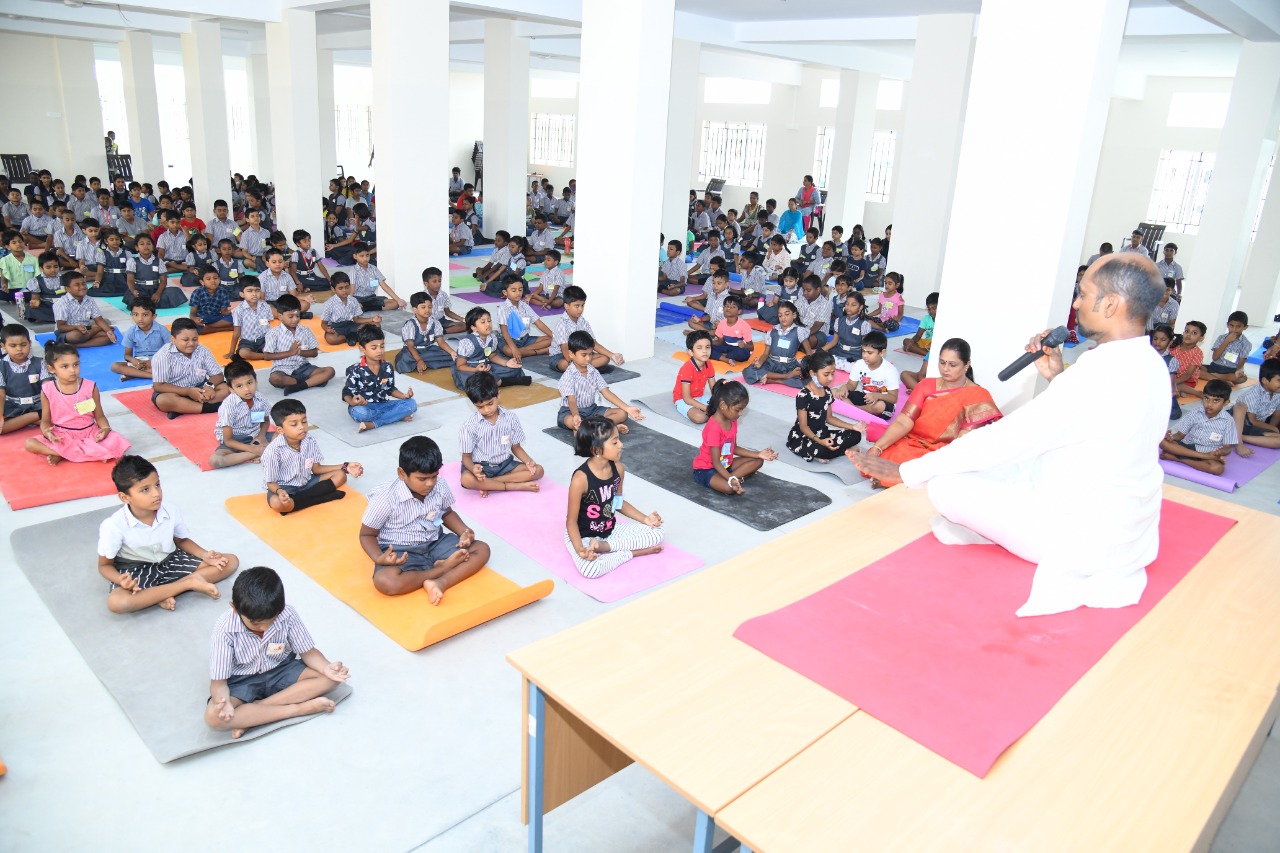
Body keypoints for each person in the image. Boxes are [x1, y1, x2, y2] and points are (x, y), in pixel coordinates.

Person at [852, 253, 1172, 618]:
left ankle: (986, 526)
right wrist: (1057, 377)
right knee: (992, 465)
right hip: (1130, 529)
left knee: (944, 483)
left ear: (1111, 304)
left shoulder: (1095, 376)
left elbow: (1004, 441)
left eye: (1084, 294)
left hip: (1079, 536)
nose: (1075, 304)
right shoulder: (1150, 364)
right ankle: (987, 524)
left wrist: (907, 471)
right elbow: (1098, 422)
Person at [205, 566, 348, 738]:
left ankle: (253, 715)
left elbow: (308, 653)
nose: (264, 628)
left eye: (271, 621)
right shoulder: (224, 629)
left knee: (331, 679)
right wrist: (223, 702)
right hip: (242, 680)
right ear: (235, 608)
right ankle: (298, 709)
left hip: (281, 668)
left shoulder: (287, 614)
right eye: (256, 623)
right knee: (213, 717)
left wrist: (326, 668)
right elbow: (219, 683)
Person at [97, 455, 236, 614]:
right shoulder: (113, 526)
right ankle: (187, 584)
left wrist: (205, 555)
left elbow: (181, 541)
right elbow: (104, 566)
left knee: (229, 561)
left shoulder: (170, 510)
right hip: (136, 571)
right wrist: (121, 581)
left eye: (157, 484)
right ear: (125, 497)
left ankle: (156, 594)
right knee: (118, 603)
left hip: (170, 561)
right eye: (145, 489)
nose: (156, 493)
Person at [359, 436, 489, 602]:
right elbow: (367, 535)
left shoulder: (440, 485)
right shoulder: (385, 498)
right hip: (402, 551)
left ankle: (440, 582)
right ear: (402, 473)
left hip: (436, 542)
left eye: (434, 476)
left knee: (482, 549)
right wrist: (378, 557)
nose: (430, 483)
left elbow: (446, 513)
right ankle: (441, 570)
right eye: (422, 479)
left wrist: (464, 531)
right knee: (387, 582)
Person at [856, 337, 1000, 481]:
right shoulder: (926, 385)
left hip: (945, 451)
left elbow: (963, 443)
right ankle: (897, 478)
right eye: (942, 362)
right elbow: (903, 421)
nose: (945, 369)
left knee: (922, 469)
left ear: (966, 365)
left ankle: (897, 479)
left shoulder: (977, 395)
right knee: (879, 459)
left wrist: (938, 458)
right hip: (913, 441)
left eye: (952, 365)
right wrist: (877, 448)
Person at [565, 416, 665, 578]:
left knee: (657, 532)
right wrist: (580, 549)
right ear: (597, 450)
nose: (621, 445)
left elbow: (617, 503)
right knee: (591, 570)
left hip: (610, 530)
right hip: (583, 535)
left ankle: (605, 547)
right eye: (614, 442)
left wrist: (646, 519)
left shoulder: (618, 468)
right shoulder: (580, 479)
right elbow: (571, 522)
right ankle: (631, 552)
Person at [25, 343, 131, 465]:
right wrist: (47, 432)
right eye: (65, 366)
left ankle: (64, 454)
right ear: (51, 369)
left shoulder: (90, 387)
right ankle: (67, 453)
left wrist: (105, 429)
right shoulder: (47, 390)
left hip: (89, 434)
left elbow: (99, 416)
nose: (72, 370)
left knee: (117, 440)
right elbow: (45, 420)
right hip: (62, 436)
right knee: (30, 443)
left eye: (76, 364)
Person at [263, 399, 362, 514]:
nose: (302, 427)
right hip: (284, 487)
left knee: (341, 475)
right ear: (280, 430)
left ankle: (299, 502)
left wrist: (345, 466)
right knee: (277, 503)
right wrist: (280, 492)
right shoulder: (273, 451)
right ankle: (321, 497)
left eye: (304, 421)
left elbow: (317, 469)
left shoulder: (309, 440)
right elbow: (270, 482)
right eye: (294, 424)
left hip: (307, 481)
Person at [458, 372, 544, 496]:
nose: (487, 410)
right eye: (480, 407)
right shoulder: (469, 426)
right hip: (481, 467)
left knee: (538, 470)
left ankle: (489, 484)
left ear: (498, 394)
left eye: (490, 403)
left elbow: (516, 447)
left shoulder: (510, 418)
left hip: (505, 464)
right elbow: (466, 457)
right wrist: (473, 469)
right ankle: (513, 486)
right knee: (467, 480)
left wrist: (529, 462)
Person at [693, 380, 777, 496]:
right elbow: (716, 462)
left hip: (726, 464)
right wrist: (731, 479)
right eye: (738, 410)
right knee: (729, 489)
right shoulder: (714, 429)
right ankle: (735, 479)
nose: (741, 413)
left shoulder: (732, 420)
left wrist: (758, 454)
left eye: (742, 410)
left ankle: (733, 479)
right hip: (707, 469)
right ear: (723, 405)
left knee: (758, 461)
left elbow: (734, 448)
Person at [786, 350, 865, 462]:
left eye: (832, 374)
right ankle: (843, 451)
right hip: (804, 437)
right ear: (813, 373)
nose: (830, 378)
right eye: (826, 374)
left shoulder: (827, 391)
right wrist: (819, 441)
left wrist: (853, 426)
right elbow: (803, 426)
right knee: (821, 450)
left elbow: (829, 418)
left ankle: (830, 451)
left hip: (823, 433)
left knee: (856, 435)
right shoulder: (803, 395)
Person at [556, 331, 643, 432]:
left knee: (622, 414)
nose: (588, 358)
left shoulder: (593, 371)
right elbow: (571, 400)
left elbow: (606, 393)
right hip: (570, 411)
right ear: (571, 354)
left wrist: (627, 408)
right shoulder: (568, 376)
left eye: (590, 354)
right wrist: (576, 415)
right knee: (572, 422)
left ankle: (593, 428)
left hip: (592, 410)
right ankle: (604, 427)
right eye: (584, 355)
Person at [151, 318, 231, 418]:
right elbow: (159, 386)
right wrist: (188, 392)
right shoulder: (162, 356)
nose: (191, 343)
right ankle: (210, 407)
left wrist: (209, 386)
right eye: (185, 340)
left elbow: (218, 375)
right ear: (173, 339)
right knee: (163, 400)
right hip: (175, 391)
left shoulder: (203, 351)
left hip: (201, 388)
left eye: (195, 339)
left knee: (228, 389)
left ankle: (185, 407)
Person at [342, 326, 418, 432]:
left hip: (383, 405)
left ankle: (374, 423)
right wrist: (353, 402)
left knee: (411, 404)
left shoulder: (387, 367)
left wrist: (403, 396)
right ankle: (395, 417)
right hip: (364, 407)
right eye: (374, 348)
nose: (379, 351)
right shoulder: (355, 370)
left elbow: (390, 389)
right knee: (360, 413)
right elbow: (346, 392)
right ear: (362, 349)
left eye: (382, 346)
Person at [1159, 379, 1237, 474]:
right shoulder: (1195, 412)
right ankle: (1198, 457)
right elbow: (1180, 435)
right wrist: (1171, 437)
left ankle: (1179, 458)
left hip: (1209, 452)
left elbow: (1228, 448)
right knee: (1162, 441)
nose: (1209, 404)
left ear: (1225, 403)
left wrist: (1221, 452)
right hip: (1188, 448)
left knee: (1218, 468)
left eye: (1216, 401)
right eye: (1206, 398)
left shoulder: (1228, 421)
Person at [264, 294, 334, 395]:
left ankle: (298, 386)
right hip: (282, 369)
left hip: (303, 367)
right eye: (290, 316)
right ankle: (311, 382)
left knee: (330, 371)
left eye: (298, 315)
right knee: (275, 378)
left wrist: (299, 352)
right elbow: (267, 356)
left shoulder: (305, 330)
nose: (295, 319)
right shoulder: (273, 333)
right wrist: (290, 352)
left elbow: (314, 353)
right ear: (280, 316)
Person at [210, 357, 271, 469]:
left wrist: (261, 436)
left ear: (256, 381)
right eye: (239, 386)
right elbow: (228, 440)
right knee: (216, 460)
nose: (247, 389)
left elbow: (265, 421)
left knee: (287, 436)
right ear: (231, 389)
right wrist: (253, 449)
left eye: (249, 383)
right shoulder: (228, 406)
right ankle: (259, 452)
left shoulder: (260, 399)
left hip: (254, 435)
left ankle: (258, 451)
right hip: (235, 440)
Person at [451, 306, 531, 390]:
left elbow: (492, 356)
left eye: (489, 321)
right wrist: (476, 370)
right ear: (473, 327)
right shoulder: (467, 342)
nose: (488, 324)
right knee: (478, 382)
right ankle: (506, 381)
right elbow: (460, 366)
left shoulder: (492, 338)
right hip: (469, 369)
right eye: (483, 322)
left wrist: (506, 363)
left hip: (485, 367)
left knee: (514, 369)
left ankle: (496, 381)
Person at [550, 285, 623, 373]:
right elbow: (564, 348)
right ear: (566, 306)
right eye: (577, 306)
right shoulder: (562, 324)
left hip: (581, 353)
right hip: (561, 356)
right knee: (564, 364)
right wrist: (573, 362)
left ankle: (580, 368)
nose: (580, 309)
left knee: (605, 358)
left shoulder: (583, 322)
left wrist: (612, 355)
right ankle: (580, 367)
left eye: (582, 305)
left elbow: (594, 344)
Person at [835, 330, 901, 419]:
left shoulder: (890, 371)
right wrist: (845, 387)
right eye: (863, 351)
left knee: (880, 406)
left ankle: (853, 409)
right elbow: (852, 385)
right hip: (865, 398)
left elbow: (893, 398)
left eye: (870, 353)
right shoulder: (859, 364)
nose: (865, 356)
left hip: (882, 401)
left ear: (882, 352)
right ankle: (859, 410)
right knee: (834, 392)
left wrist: (877, 396)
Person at [744, 301, 804, 388]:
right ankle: (786, 376)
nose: (783, 318)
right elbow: (765, 354)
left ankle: (774, 380)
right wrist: (759, 363)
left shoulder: (799, 331)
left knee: (805, 379)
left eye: (787, 314)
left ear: (794, 315)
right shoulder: (773, 331)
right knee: (749, 371)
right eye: (780, 315)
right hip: (772, 363)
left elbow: (809, 352)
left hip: (789, 365)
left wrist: (806, 367)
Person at [1, 324, 46, 434]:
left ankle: (29, 418)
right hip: (13, 406)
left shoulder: (41, 362)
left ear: (30, 343)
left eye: (23, 344)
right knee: (1, 427)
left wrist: (47, 408)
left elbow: (48, 388)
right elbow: (1, 394)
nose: (19, 349)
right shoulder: (1, 366)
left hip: (39, 404)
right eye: (13, 346)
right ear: (3, 346)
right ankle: (36, 417)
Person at [1230, 358, 1280, 456]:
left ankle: (1239, 437)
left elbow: (1277, 415)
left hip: (1252, 427)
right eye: (1279, 380)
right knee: (1240, 406)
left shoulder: (1278, 393)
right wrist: (1273, 428)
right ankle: (1238, 442)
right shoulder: (1253, 394)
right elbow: (1252, 420)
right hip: (1237, 422)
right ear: (1265, 380)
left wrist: (1271, 429)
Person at [111, 298, 169, 381]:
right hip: (139, 362)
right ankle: (152, 376)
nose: (140, 319)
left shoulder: (162, 330)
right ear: (131, 315)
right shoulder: (131, 331)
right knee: (115, 366)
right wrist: (134, 361)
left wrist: (153, 361)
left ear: (154, 316)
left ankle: (133, 374)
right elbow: (127, 356)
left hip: (158, 361)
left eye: (145, 315)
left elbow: (172, 351)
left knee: (169, 366)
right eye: (136, 314)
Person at [53, 271, 116, 347]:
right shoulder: (61, 303)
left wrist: (108, 331)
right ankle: (96, 329)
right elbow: (61, 327)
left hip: (86, 330)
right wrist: (76, 327)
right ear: (67, 289)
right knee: (76, 336)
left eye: (83, 283)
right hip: (68, 332)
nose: (82, 287)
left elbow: (98, 319)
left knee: (110, 337)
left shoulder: (89, 300)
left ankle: (76, 345)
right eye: (77, 285)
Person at [495, 278, 553, 358]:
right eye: (514, 290)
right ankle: (539, 351)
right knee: (509, 351)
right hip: (509, 340)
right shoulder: (502, 309)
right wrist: (513, 348)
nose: (518, 293)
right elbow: (504, 332)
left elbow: (539, 323)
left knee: (552, 339)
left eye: (520, 290)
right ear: (505, 292)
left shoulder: (525, 306)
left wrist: (555, 336)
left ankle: (523, 351)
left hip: (526, 339)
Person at [674, 330, 718, 423]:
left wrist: (722, 398)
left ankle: (713, 413)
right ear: (691, 352)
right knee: (700, 417)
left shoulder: (709, 364)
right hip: (683, 400)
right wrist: (707, 408)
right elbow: (687, 398)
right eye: (699, 348)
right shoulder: (687, 368)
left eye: (707, 347)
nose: (704, 351)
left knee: (728, 403)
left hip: (701, 397)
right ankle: (714, 414)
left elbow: (714, 390)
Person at [824, 290, 874, 370]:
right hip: (840, 352)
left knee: (857, 368)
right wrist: (819, 351)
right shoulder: (839, 320)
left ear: (860, 307)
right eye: (847, 304)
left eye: (853, 305)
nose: (849, 307)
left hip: (856, 355)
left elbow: (866, 346)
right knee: (824, 362)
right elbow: (834, 342)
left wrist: (865, 359)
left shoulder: (864, 324)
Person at [349, 242, 403, 312]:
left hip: (372, 298)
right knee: (354, 305)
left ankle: (365, 308)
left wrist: (398, 299)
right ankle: (365, 307)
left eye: (367, 255)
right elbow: (351, 290)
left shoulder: (373, 269)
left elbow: (384, 285)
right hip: (358, 299)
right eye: (361, 256)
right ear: (355, 256)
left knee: (395, 303)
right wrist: (349, 303)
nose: (365, 258)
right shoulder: (353, 271)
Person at [1206, 310, 1252, 387]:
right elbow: (1215, 357)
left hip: (1230, 371)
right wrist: (1227, 341)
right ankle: (1221, 379)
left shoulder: (1246, 343)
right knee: (1197, 369)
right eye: (1231, 326)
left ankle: (1213, 377)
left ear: (1245, 327)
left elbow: (1240, 364)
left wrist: (1239, 370)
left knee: (1243, 378)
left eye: (1238, 326)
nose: (1234, 329)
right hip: (1215, 367)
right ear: (1227, 325)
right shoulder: (1221, 338)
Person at [710, 294, 753, 365]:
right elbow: (720, 342)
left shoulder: (744, 326)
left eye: (733, 307)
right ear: (723, 308)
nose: (729, 308)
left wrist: (744, 345)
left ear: (739, 311)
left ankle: (723, 356)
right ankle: (725, 358)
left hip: (739, 348)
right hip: (726, 346)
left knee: (742, 353)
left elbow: (751, 347)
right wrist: (708, 342)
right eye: (727, 306)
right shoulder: (721, 324)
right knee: (706, 348)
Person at [1170, 320, 1206, 399]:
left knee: (1178, 385)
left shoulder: (1198, 353)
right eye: (1187, 331)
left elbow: (1188, 374)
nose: (1188, 335)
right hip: (1172, 376)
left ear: (1201, 338)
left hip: (1188, 379)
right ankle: (1180, 390)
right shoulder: (1174, 346)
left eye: (1194, 333)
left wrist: (1172, 383)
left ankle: (1197, 392)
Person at [902, 291, 939, 356]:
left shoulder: (945, 320)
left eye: (934, 308)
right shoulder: (926, 319)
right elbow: (918, 335)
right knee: (906, 341)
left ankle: (924, 353)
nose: (931, 311)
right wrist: (911, 342)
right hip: (927, 342)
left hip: (938, 344)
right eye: (929, 309)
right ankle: (928, 354)